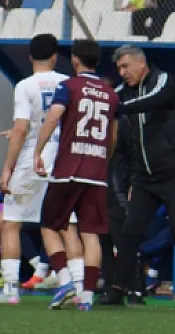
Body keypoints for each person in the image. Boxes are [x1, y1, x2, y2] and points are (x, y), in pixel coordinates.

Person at [104, 45, 175, 309]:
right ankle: (117, 289)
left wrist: (119, 107)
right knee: (129, 232)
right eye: (119, 69)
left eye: (126, 67)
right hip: (143, 178)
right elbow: (109, 102)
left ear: (141, 63)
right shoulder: (122, 94)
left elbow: (152, 100)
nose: (123, 73)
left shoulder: (163, 81)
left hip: (174, 172)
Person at [0, 34, 68, 305]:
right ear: (55, 56)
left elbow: (21, 127)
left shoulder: (25, 86)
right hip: (61, 160)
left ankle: (10, 290)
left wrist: (8, 168)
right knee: (63, 225)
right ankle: (70, 282)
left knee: (11, 223)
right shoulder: (67, 83)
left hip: (33, 160)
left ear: (30, 57)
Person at [29, 39, 118, 312]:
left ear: (75, 61)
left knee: (49, 225)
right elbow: (113, 136)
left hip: (68, 170)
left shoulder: (68, 87)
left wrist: (37, 151)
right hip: (96, 173)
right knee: (91, 234)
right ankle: (88, 295)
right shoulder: (111, 94)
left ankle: (66, 281)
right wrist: (102, 160)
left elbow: (54, 117)